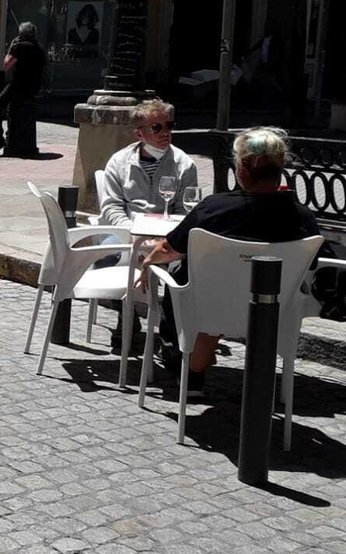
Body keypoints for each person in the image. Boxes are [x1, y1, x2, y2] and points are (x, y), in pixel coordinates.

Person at [138, 127, 321, 396]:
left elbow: (169, 249)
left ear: (242, 169)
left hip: (212, 309)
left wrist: (147, 263)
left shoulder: (214, 208)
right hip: (274, 313)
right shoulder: (302, 217)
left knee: (181, 272)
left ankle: (188, 370)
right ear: (280, 168)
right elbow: (313, 265)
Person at [97, 99, 200, 347]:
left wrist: (165, 240)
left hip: (168, 235)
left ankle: (169, 326)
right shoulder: (119, 162)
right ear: (139, 133)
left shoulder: (184, 164)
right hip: (128, 231)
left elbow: (186, 210)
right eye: (156, 127)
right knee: (109, 258)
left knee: (184, 267)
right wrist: (132, 234)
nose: (165, 132)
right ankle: (127, 314)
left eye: (168, 125)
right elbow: (111, 206)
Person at [0, 22, 47, 156]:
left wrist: (10, 49)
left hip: (20, 85)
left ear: (20, 35)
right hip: (34, 87)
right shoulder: (39, 48)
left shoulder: (20, 47)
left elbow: (6, 65)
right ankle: (9, 136)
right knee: (10, 107)